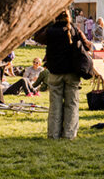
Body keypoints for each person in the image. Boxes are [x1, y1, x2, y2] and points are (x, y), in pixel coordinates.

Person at [37, 9, 91, 139]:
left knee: (55, 105)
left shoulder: (50, 31)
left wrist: (46, 22)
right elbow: (88, 46)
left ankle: (53, 134)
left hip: (55, 72)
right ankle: (69, 134)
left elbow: (37, 37)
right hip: (72, 72)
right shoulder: (74, 30)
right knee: (71, 104)